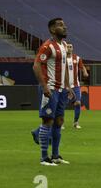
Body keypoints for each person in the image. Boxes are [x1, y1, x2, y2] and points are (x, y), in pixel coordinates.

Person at [31, 17, 73, 166]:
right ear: (52, 29)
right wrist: (44, 86)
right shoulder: (47, 46)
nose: (65, 27)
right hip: (50, 87)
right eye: (60, 25)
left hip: (61, 89)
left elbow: (64, 67)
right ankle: (44, 158)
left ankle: (55, 156)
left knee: (59, 121)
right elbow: (36, 66)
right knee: (47, 121)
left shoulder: (63, 46)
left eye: (64, 24)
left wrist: (68, 86)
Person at [66, 43, 88, 129]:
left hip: (75, 85)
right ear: (65, 48)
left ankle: (76, 122)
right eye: (67, 46)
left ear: (73, 48)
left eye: (70, 47)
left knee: (78, 103)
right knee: (61, 105)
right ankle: (60, 123)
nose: (69, 48)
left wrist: (85, 71)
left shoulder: (77, 58)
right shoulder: (61, 58)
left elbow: (82, 67)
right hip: (64, 86)